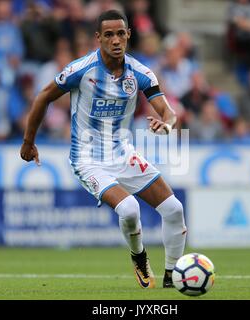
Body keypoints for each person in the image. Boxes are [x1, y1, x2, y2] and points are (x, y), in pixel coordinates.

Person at [20, 10, 187, 289]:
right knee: (130, 209)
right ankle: (139, 256)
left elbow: (168, 113)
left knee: (174, 209)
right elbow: (43, 97)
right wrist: (28, 142)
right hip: (88, 160)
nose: (115, 40)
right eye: (108, 34)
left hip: (124, 155)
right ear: (98, 38)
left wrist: (167, 126)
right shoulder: (81, 70)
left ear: (128, 35)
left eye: (120, 33)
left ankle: (172, 279)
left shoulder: (141, 73)